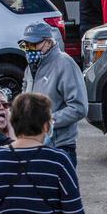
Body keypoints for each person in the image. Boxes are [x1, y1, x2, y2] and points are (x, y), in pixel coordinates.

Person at [19, 22, 87, 166]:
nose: (29, 49)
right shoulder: (30, 68)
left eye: (34, 44)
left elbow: (79, 107)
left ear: (49, 42)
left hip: (59, 148)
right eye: (25, 45)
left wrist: (46, 122)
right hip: (33, 146)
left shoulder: (65, 64)